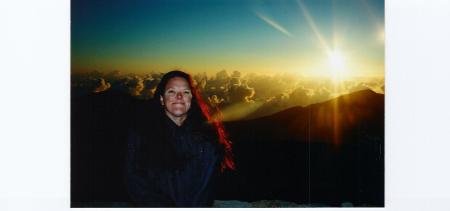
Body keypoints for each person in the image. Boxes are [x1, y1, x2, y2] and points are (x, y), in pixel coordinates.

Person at [125, 70, 234, 207]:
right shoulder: (142, 134)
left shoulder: (208, 137)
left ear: (191, 99)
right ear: (161, 99)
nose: (179, 96)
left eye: (186, 92)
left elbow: (207, 188)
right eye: (171, 91)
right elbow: (134, 181)